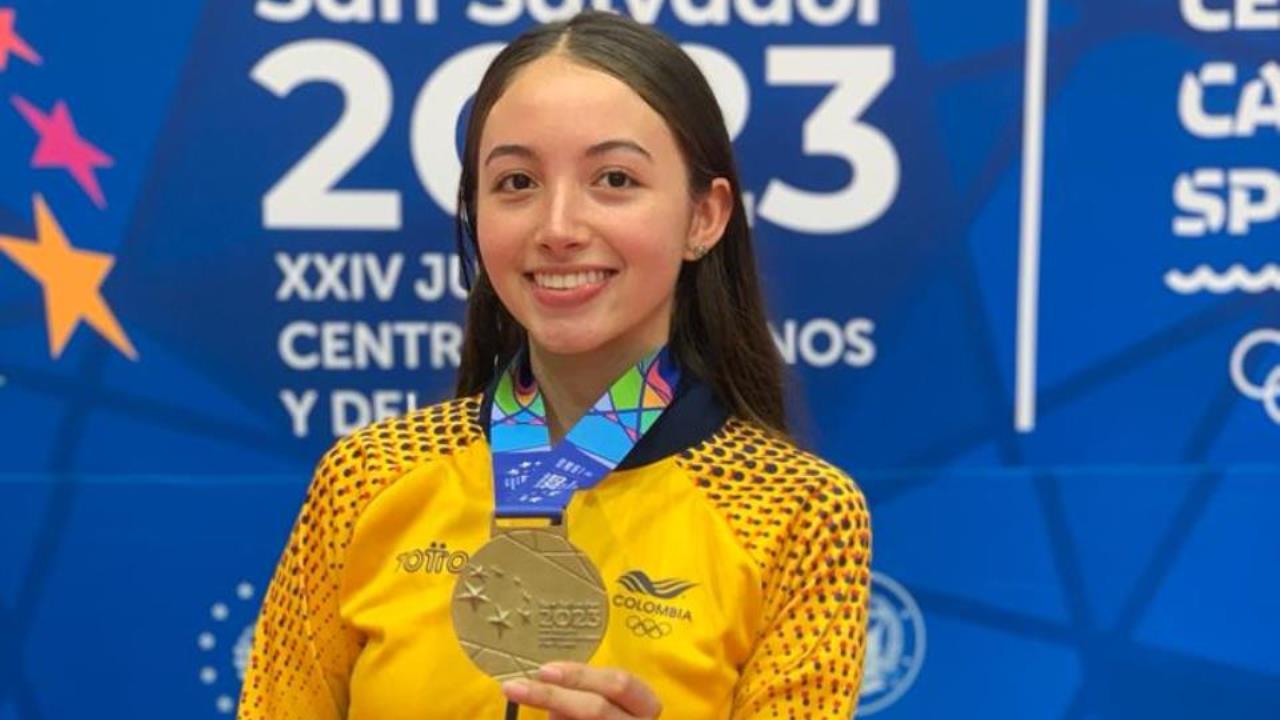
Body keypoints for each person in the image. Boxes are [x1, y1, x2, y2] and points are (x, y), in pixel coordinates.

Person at [238, 11, 871, 720]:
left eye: (614, 178)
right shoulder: (367, 479)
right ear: (475, 211)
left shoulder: (797, 513)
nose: (559, 228)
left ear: (704, 216)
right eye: (516, 182)